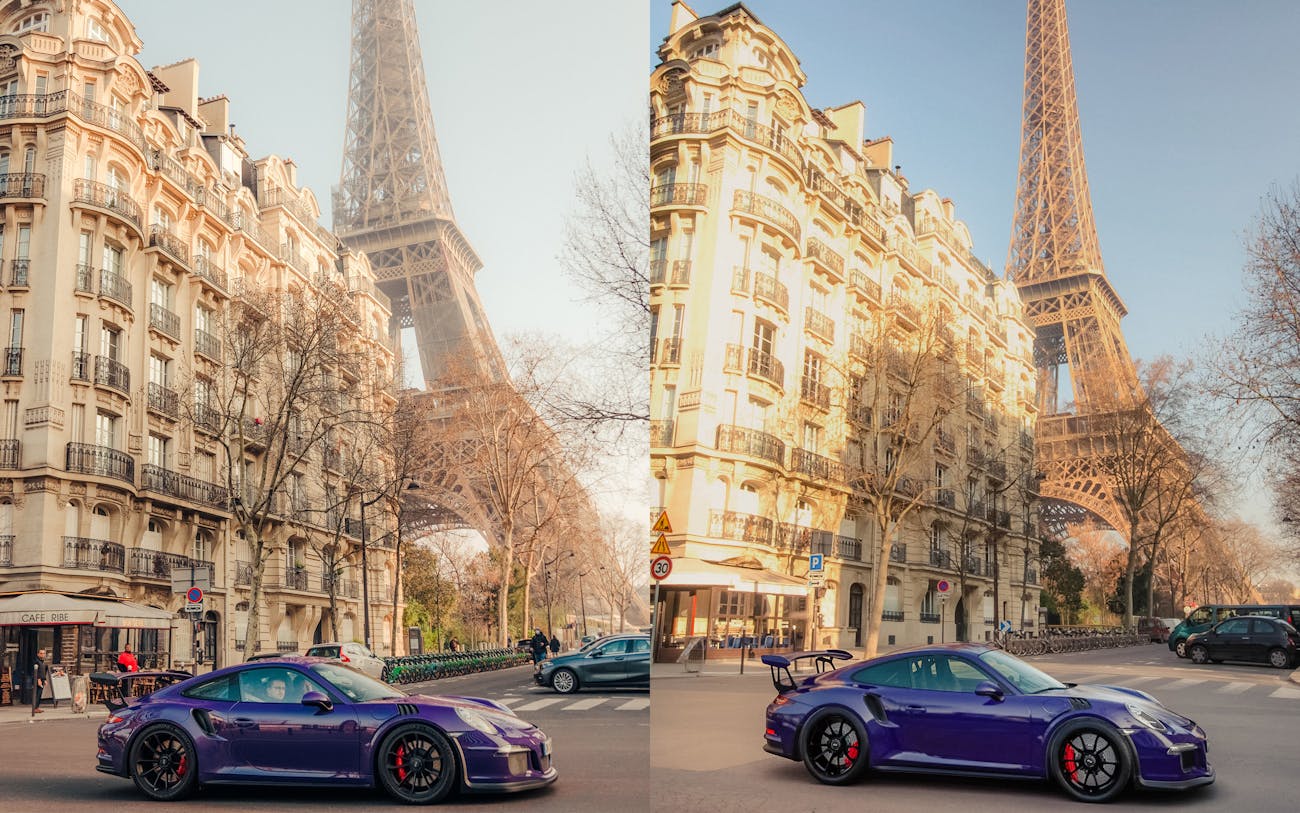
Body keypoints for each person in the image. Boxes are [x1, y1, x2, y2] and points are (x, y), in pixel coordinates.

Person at [31, 649, 48, 716]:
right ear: (38, 654)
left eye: (43, 653)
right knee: (37, 694)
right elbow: (35, 671)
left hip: (42, 680)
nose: (42, 655)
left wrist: (45, 679)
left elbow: (43, 672)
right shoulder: (36, 661)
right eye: (41, 653)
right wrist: (38, 679)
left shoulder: (43, 662)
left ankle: (37, 707)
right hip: (37, 680)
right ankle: (34, 708)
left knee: (39, 694)